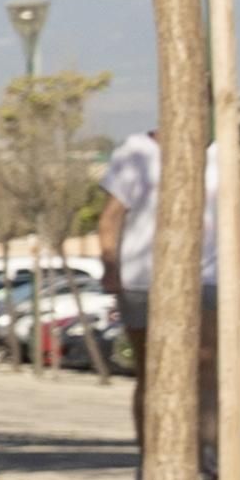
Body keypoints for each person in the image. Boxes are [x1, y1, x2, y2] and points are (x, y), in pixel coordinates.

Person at [96, 127, 158, 459]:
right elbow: (110, 218)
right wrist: (110, 266)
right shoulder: (136, 151)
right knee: (150, 374)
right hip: (141, 280)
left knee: (204, 369)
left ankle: (207, 463)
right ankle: (149, 461)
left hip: (205, 278)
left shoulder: (220, 151)